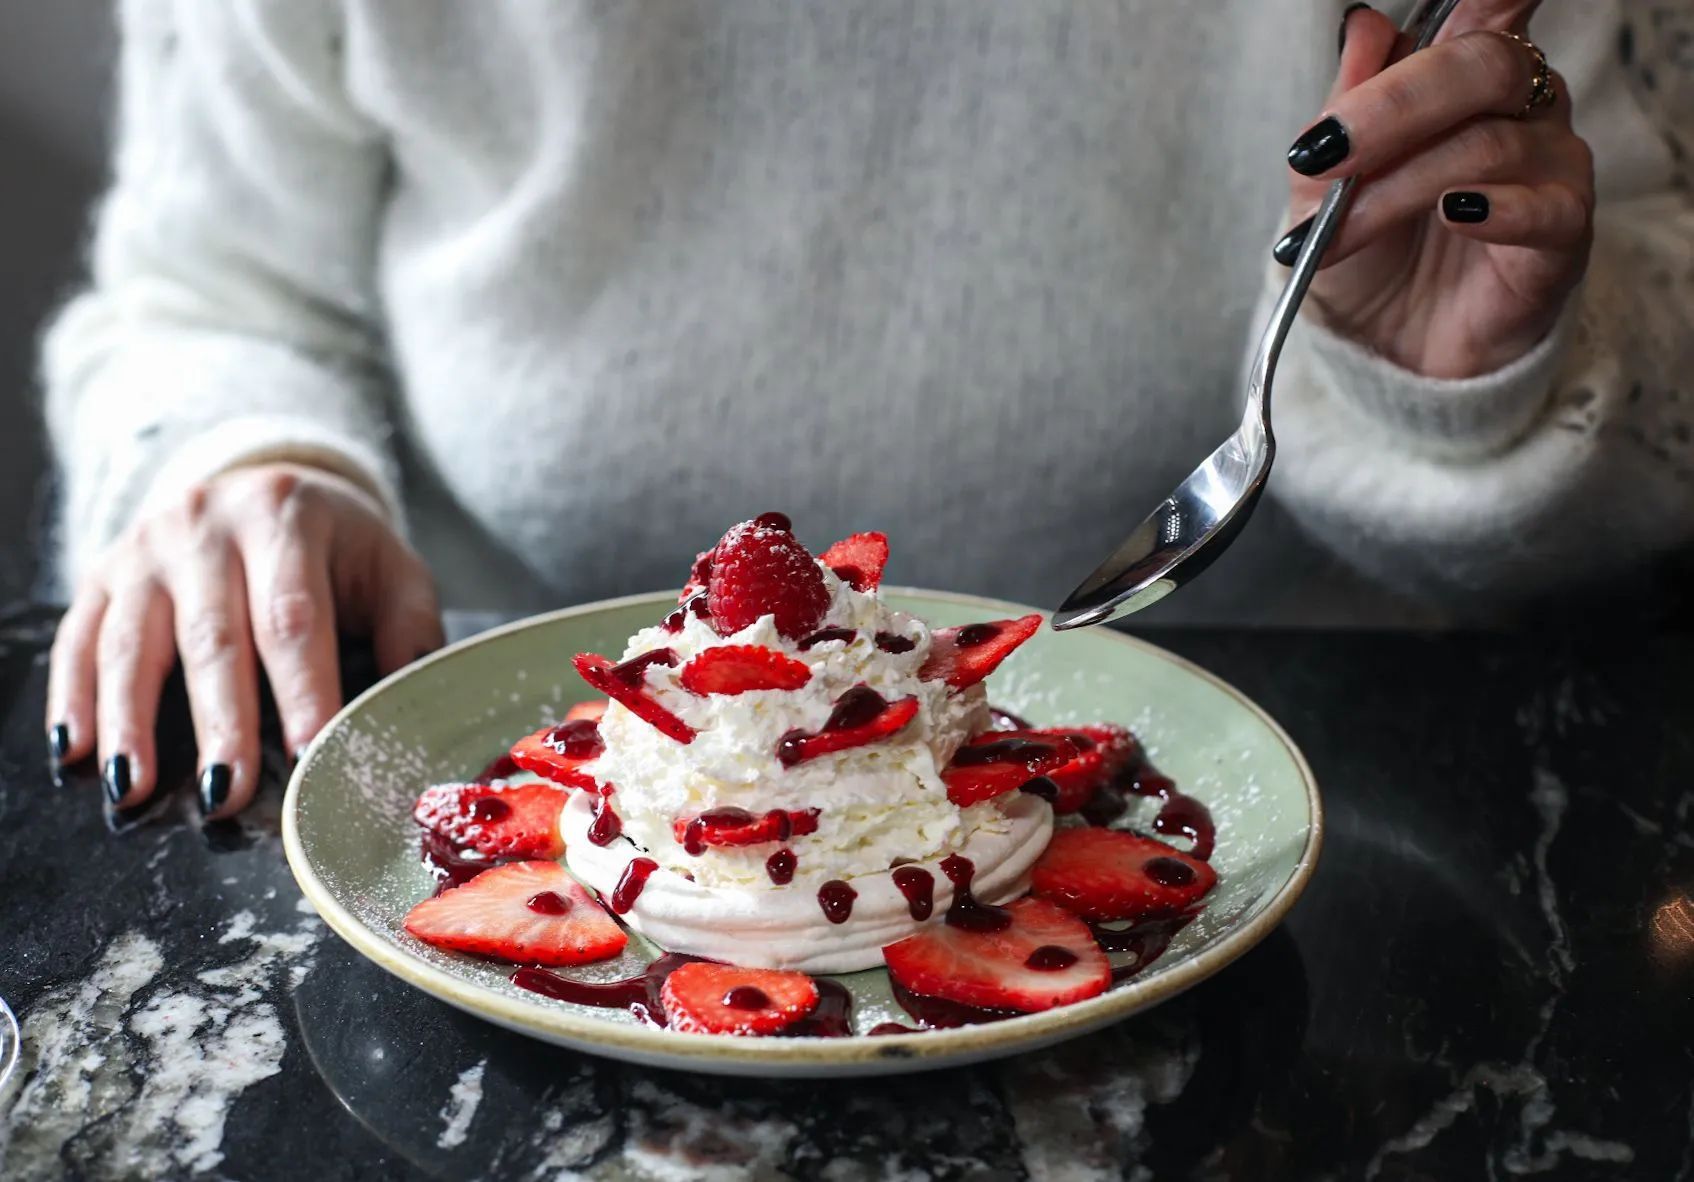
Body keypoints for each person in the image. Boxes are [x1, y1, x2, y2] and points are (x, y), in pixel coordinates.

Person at [40, 0, 1692, 822]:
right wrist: (236, 448)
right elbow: (208, 292)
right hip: (533, 770)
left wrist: (1469, 384)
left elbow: (1648, 367)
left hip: (1325, 788)